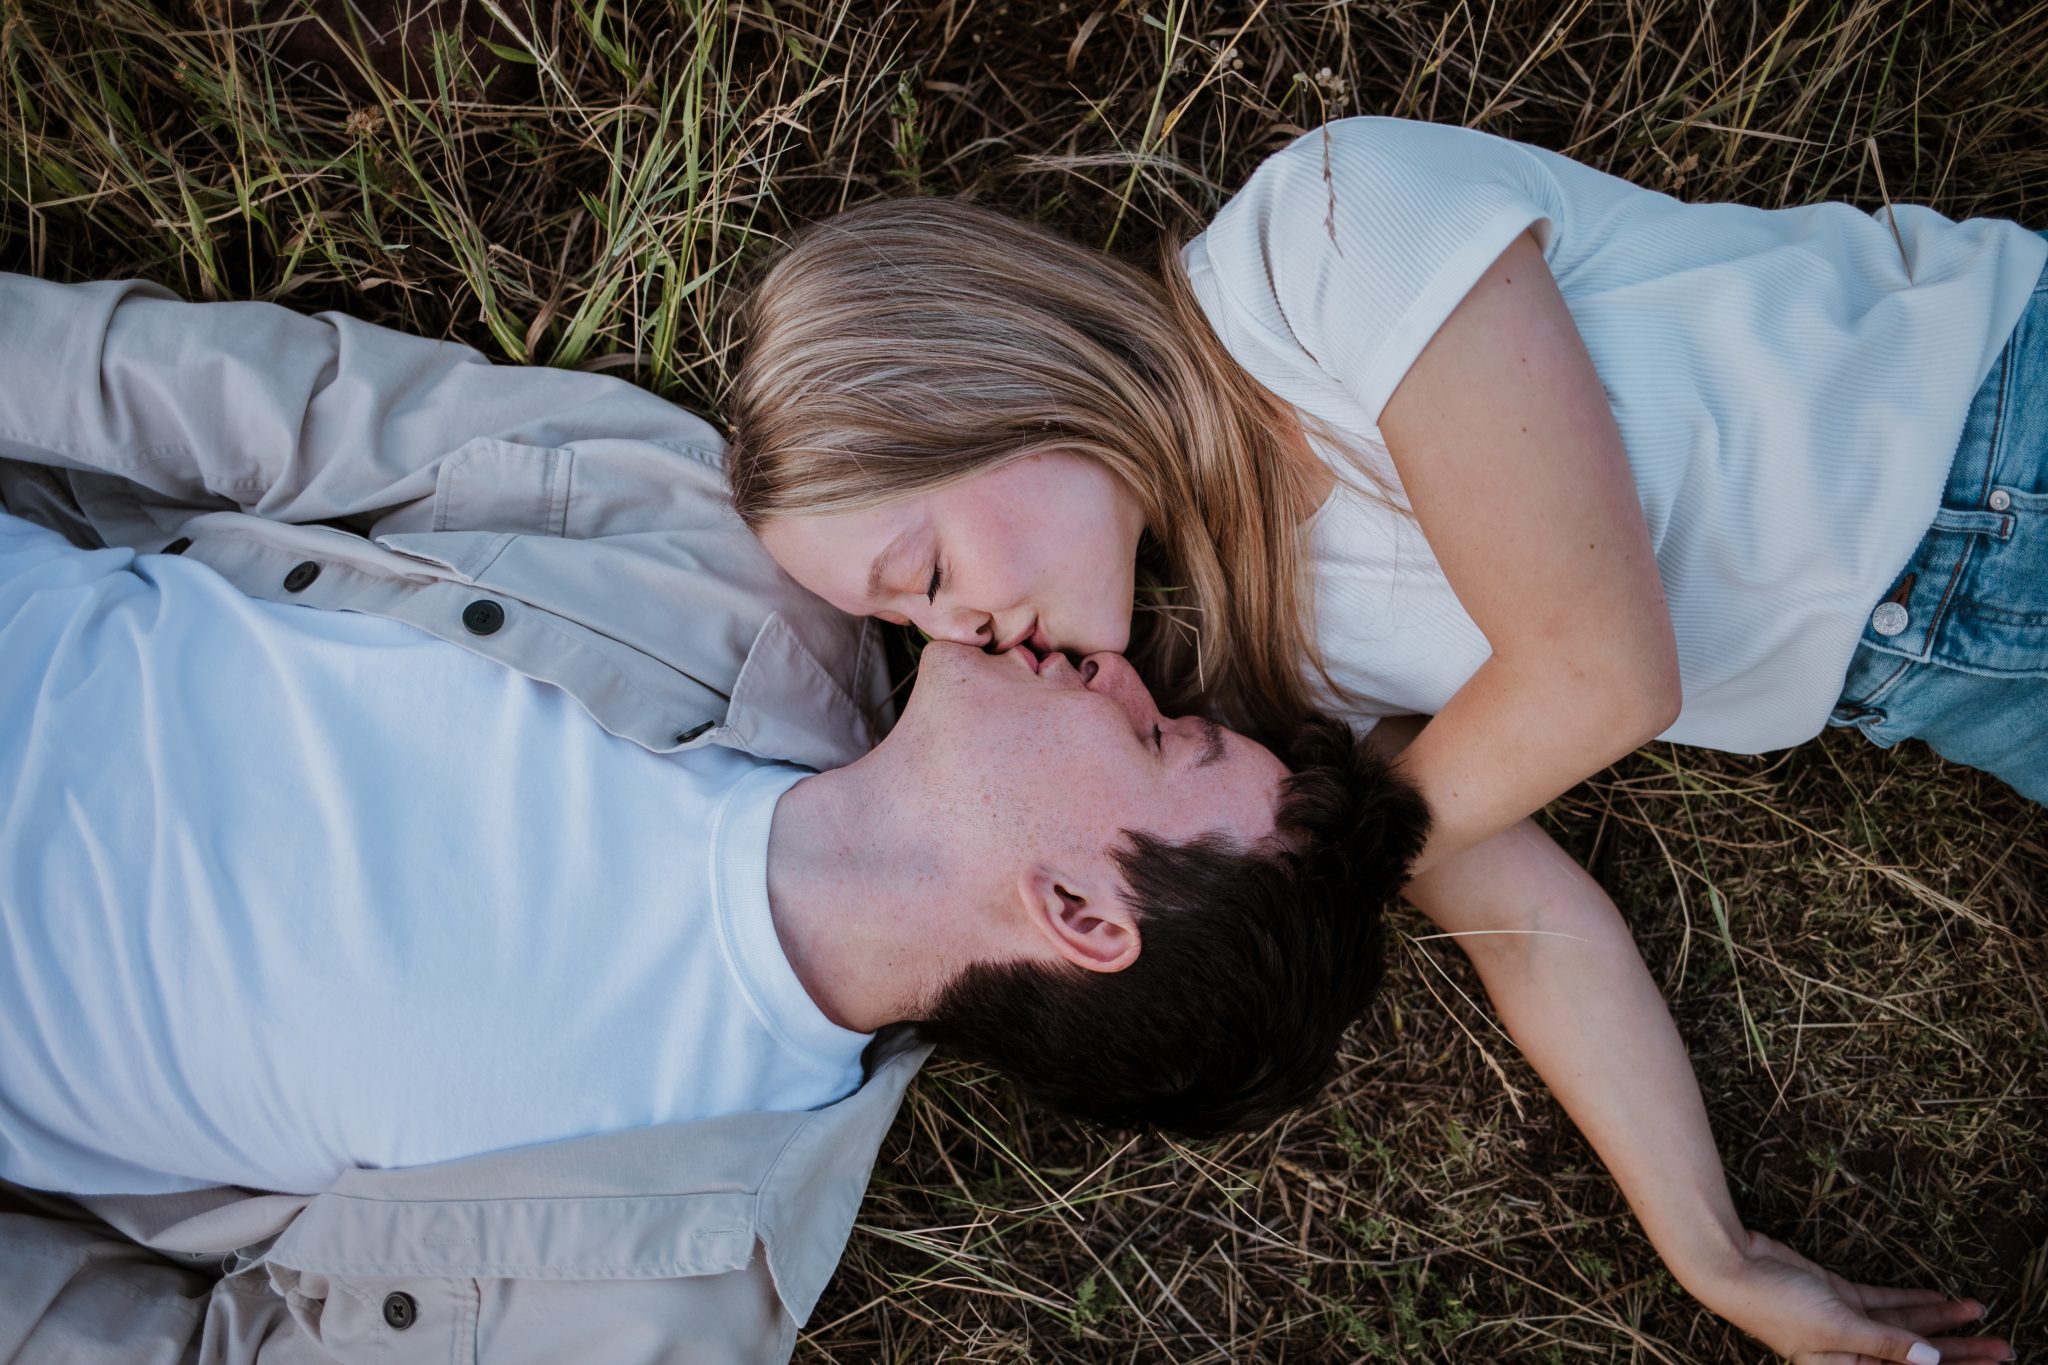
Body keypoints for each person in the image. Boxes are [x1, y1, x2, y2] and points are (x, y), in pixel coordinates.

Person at [725, 116, 2042, 1365]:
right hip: (1939, 684)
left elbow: (1602, 669)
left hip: (1998, 454)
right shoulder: (1276, 656)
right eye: (900, 617)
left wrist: (1320, 853)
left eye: (926, 567)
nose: (958, 635)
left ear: (994, 378)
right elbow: (1528, 919)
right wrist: (1714, 1248)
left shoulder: (1326, 242)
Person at [0, 273, 1423, 1361]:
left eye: (1161, 735)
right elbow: (271, 405)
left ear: (1082, 916)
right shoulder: (709, 540)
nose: (1113, 663)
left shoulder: (672, 1287)